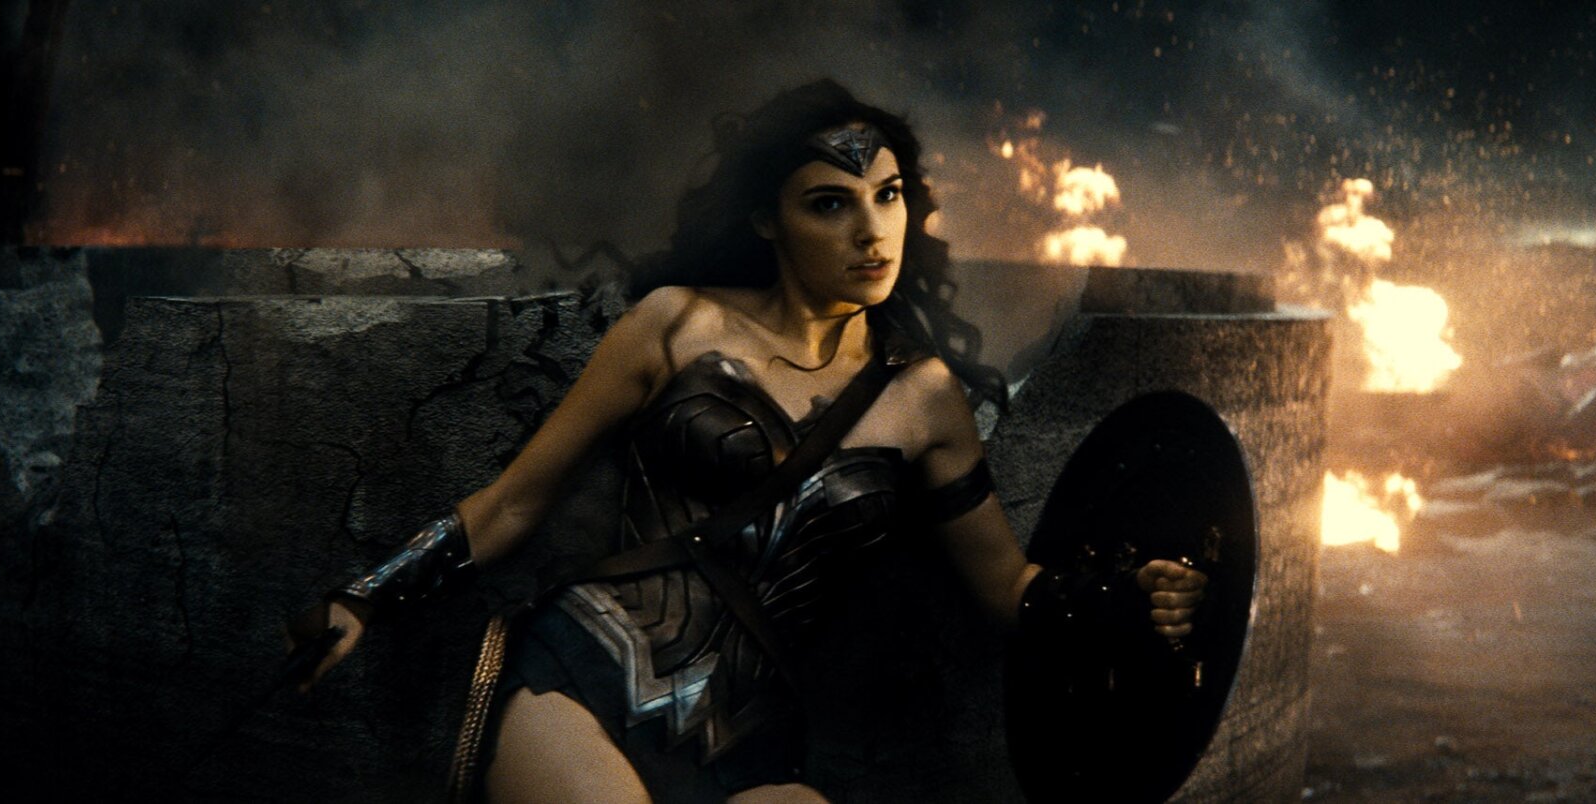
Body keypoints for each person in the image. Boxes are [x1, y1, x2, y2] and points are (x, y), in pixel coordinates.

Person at [288, 79, 1208, 804]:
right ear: (768, 219)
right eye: (830, 204)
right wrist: (368, 597)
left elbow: (1006, 587)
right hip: (582, 677)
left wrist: (1128, 597)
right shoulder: (675, 325)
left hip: (748, 738)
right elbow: (514, 503)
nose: (871, 231)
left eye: (887, 196)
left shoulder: (923, 397)